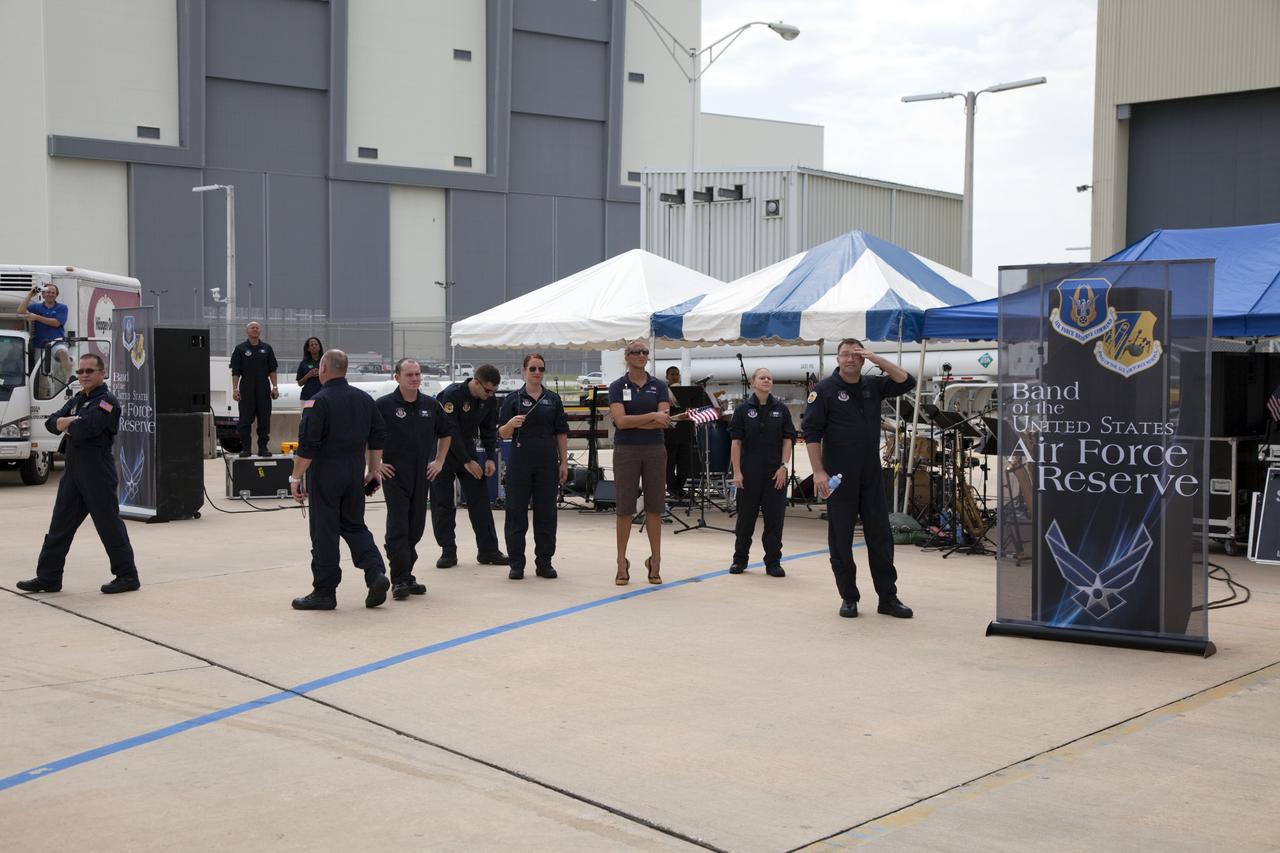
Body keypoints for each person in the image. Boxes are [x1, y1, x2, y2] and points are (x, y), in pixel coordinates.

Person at [802, 338, 915, 619]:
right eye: (845, 354)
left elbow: (906, 381)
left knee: (881, 537)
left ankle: (888, 598)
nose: (850, 359)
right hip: (839, 477)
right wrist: (818, 472)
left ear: (863, 359)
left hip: (871, 474)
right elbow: (812, 433)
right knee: (841, 539)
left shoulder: (872, 386)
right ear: (837, 359)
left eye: (856, 355)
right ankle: (849, 598)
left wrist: (878, 359)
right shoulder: (824, 390)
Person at [17, 354, 140, 595]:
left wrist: (67, 423)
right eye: (81, 371)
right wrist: (67, 421)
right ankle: (48, 577)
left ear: (102, 373)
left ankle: (127, 576)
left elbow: (86, 429)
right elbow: (50, 424)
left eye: (89, 371)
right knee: (59, 525)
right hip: (73, 471)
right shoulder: (78, 399)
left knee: (108, 525)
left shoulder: (107, 402)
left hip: (96, 471)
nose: (84, 375)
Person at [288, 349, 390, 610]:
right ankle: (375, 573)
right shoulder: (365, 399)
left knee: (325, 532)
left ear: (323, 369)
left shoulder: (318, 401)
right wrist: (372, 470)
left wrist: (295, 477)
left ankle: (324, 591)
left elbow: (308, 446)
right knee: (355, 526)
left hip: (326, 474)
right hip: (353, 473)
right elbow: (378, 436)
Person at [374, 358, 451, 600]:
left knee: (415, 528)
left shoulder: (431, 405)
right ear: (397, 377)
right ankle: (398, 580)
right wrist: (376, 464)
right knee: (398, 527)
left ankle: (406, 574)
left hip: (422, 475)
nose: (415, 379)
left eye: (417, 374)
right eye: (409, 375)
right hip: (395, 476)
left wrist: (439, 462)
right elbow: (367, 437)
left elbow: (446, 434)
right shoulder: (383, 406)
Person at [498, 353, 569, 580]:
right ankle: (516, 563)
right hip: (520, 462)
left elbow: (561, 432)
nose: (537, 373)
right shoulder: (512, 399)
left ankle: (544, 562)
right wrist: (510, 423)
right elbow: (501, 433)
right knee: (516, 514)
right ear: (523, 371)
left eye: (540, 369)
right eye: (532, 369)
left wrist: (564, 461)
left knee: (546, 515)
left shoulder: (553, 399)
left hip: (547, 463)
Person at [431, 364, 509, 568]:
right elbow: (450, 431)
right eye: (487, 390)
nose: (490, 394)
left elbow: (489, 429)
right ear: (476, 382)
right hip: (443, 452)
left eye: (494, 391)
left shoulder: (488, 400)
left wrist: (491, 457)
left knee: (480, 502)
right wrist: (467, 461)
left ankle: (488, 550)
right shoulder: (452, 395)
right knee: (444, 503)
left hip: (467, 449)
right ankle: (448, 551)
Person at [608, 339, 670, 585]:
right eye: (637, 352)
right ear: (627, 356)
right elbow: (620, 422)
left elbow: (664, 421)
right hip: (626, 450)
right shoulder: (616, 386)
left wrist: (643, 419)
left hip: (655, 448)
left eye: (645, 352)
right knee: (625, 508)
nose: (642, 355)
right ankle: (621, 562)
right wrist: (652, 416)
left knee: (655, 507)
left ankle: (655, 560)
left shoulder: (659, 386)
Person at [729, 368, 796, 578]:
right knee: (745, 519)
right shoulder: (742, 410)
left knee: (774, 520)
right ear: (753, 383)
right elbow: (736, 443)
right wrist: (737, 472)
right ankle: (740, 559)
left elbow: (788, 440)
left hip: (774, 473)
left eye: (769, 378)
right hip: (749, 473)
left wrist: (784, 465)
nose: (766, 380)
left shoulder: (782, 410)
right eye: (762, 377)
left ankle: (773, 562)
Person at [230, 321, 279, 457]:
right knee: (245, 420)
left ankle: (263, 448)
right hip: (246, 387)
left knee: (264, 419)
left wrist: (275, 387)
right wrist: (235, 389)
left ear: (260, 331)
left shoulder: (267, 349)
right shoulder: (240, 349)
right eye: (252, 328)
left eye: (257, 328)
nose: (255, 329)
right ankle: (246, 448)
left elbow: (272, 370)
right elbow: (235, 372)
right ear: (247, 331)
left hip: (263, 387)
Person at [17, 282, 72, 389]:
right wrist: (30, 295)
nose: (50, 294)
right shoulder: (36, 307)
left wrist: (37, 317)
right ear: (43, 295)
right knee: (42, 377)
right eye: (48, 292)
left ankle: (70, 380)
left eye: (53, 293)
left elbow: (56, 323)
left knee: (63, 353)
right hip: (40, 345)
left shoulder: (62, 307)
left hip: (56, 343)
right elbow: (20, 311)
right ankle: (43, 401)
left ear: (56, 295)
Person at [663, 365, 695, 502]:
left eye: (677, 374)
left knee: (684, 463)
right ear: (667, 377)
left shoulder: (685, 392)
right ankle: (672, 489)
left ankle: (680, 488)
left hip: (685, 431)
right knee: (670, 463)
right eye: (672, 374)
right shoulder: (664, 392)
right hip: (670, 432)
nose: (675, 376)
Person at [296, 336, 324, 401]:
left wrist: (320, 373)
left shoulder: (326, 361)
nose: (314, 346)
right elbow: (300, 383)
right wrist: (308, 375)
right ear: (308, 349)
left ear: (319, 347)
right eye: (311, 345)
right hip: (307, 397)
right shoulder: (304, 363)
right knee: (307, 411)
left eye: (316, 344)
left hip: (323, 396)